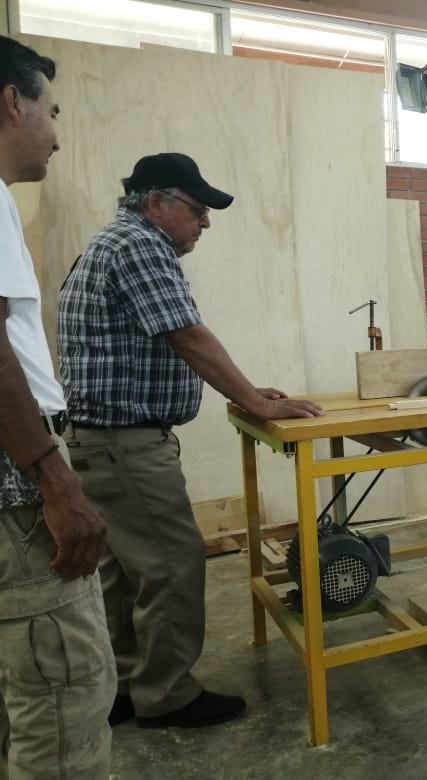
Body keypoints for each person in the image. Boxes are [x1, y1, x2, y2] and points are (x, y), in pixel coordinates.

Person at [57, 152, 325, 729]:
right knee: (172, 566)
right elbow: (189, 336)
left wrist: (248, 390)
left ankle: (126, 686)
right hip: (125, 444)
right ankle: (167, 696)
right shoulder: (140, 245)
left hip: (99, 441)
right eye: (197, 210)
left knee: (125, 573)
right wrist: (254, 401)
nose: (204, 223)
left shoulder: (109, 244)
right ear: (157, 202)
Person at [0, 36, 116, 777]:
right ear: (11, 102)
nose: (57, 133)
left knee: (26, 688)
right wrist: (55, 479)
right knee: (65, 689)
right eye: (51, 110)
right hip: (17, 480)